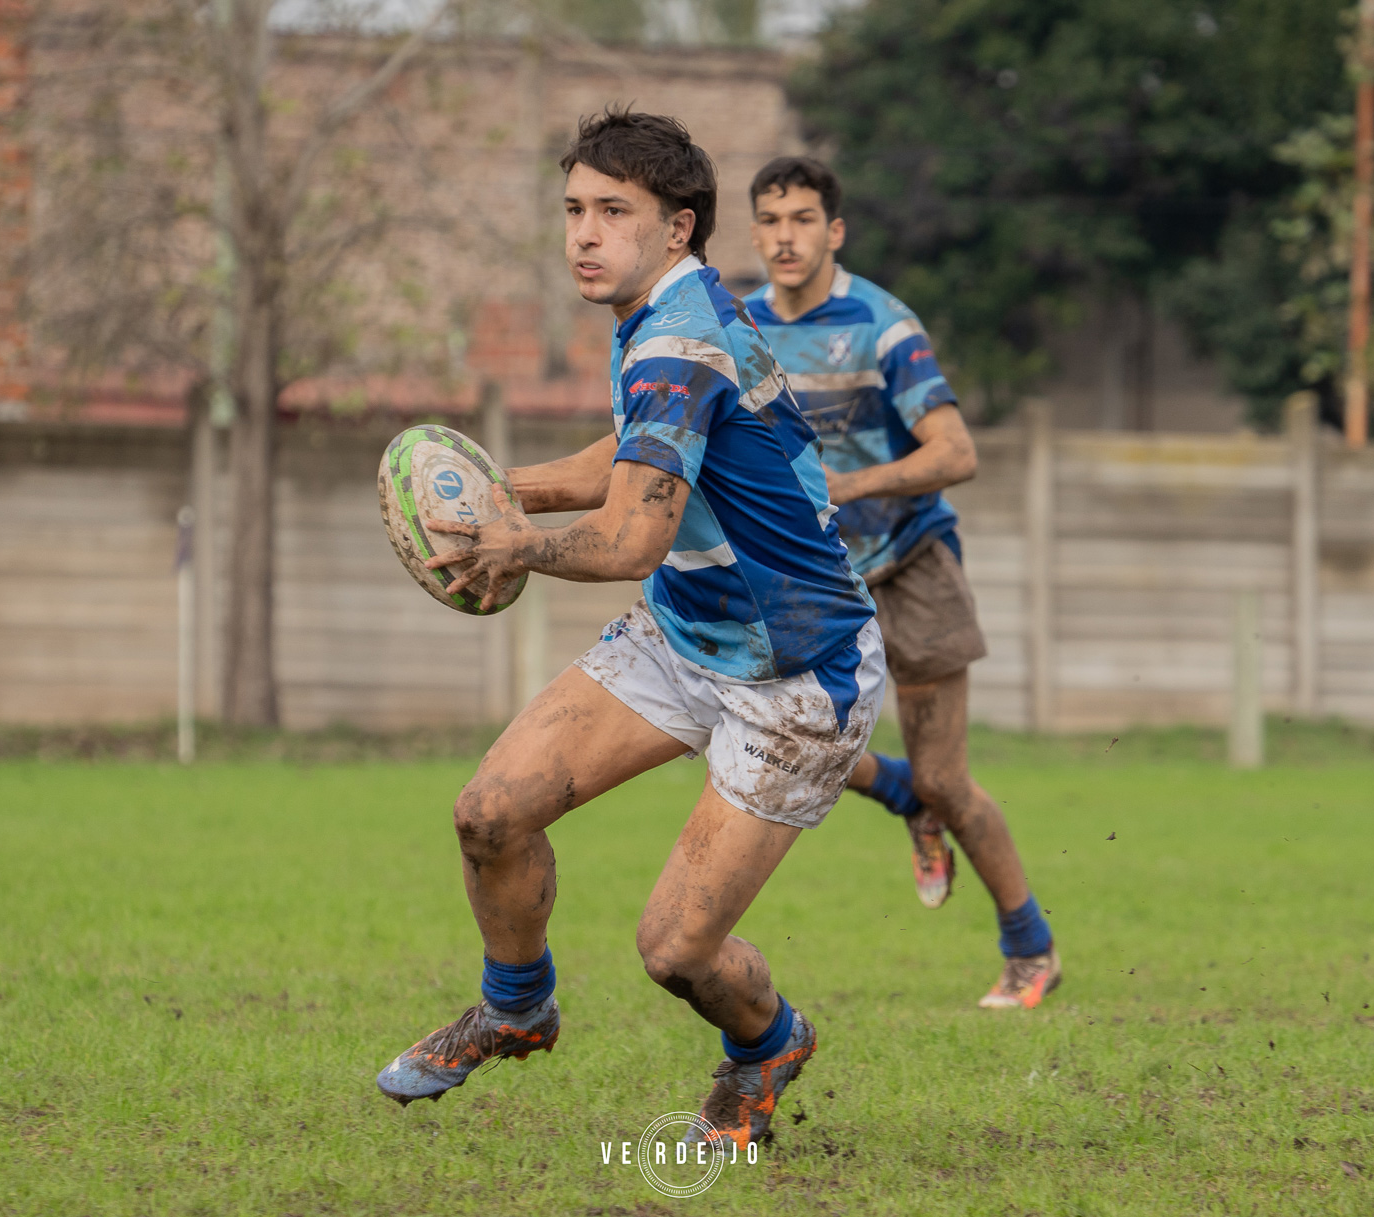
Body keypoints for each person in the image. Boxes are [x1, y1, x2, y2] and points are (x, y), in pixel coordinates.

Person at [376, 113, 885, 1147]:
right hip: (689, 633)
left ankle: (769, 1043)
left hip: (800, 674)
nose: (584, 235)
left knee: (675, 951)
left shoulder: (679, 335)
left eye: (615, 212)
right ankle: (517, 1006)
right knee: (491, 812)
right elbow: (635, 447)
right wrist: (496, 490)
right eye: (573, 211)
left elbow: (630, 536)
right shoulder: (666, 312)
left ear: (678, 227)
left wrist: (516, 542)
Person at [742, 156, 1061, 1010]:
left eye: (803, 219)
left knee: (949, 782)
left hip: (911, 563)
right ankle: (901, 798)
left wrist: (848, 485)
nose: (785, 236)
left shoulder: (883, 324)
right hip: (811, 576)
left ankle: (1031, 947)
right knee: (774, 735)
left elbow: (957, 452)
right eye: (770, 220)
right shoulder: (736, 328)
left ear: (833, 231)